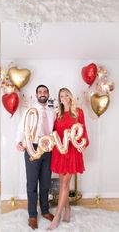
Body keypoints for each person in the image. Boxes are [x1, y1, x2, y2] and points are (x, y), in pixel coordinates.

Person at [48, 88, 89, 230]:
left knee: (65, 184)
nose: (64, 98)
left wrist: (84, 144)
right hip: (60, 151)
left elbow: (84, 132)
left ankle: (57, 216)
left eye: (66, 95)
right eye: (61, 96)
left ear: (70, 97)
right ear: (59, 99)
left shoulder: (79, 112)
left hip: (72, 152)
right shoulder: (57, 114)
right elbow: (53, 132)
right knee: (61, 184)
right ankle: (67, 209)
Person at [16, 85, 55, 230]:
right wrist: (19, 142)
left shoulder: (52, 112)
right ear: (37, 94)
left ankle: (45, 211)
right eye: (40, 92)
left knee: (45, 182)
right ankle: (32, 215)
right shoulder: (29, 111)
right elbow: (21, 127)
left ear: (48, 94)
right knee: (32, 184)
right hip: (32, 147)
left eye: (45, 92)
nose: (43, 94)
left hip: (48, 149)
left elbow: (54, 130)